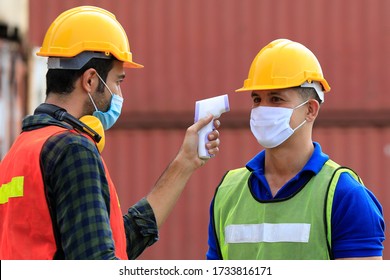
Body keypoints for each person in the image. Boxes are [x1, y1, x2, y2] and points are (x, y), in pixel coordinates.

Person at [0, 6, 221, 260]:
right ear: (91, 80)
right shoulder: (74, 149)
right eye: (118, 81)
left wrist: (184, 163)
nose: (119, 95)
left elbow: (109, 243)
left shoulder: (19, 152)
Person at [206, 39, 385, 260]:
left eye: (275, 99)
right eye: (256, 99)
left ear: (310, 110)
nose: (263, 110)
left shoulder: (346, 196)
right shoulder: (227, 192)